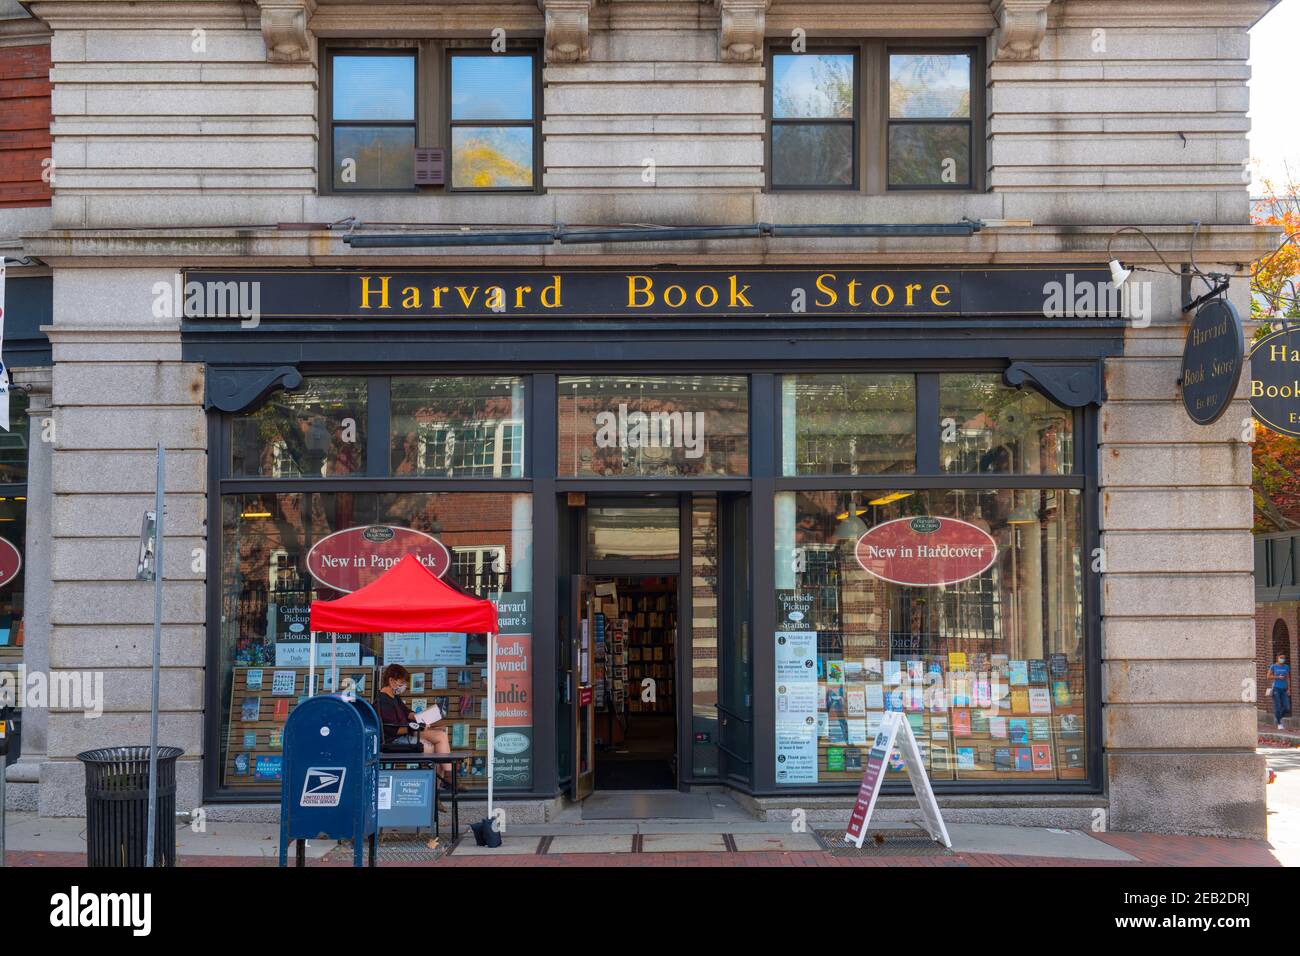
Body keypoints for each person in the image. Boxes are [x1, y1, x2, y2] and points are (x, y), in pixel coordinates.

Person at [376, 663, 453, 782]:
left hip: (407, 733)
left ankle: (448, 778)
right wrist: (416, 727)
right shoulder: (383, 701)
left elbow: (407, 712)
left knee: (441, 736)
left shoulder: (394, 697)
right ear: (391, 681)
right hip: (395, 739)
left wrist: (421, 717)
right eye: (401, 682)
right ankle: (442, 787)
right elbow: (394, 730)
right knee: (435, 751)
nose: (404, 686)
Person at [1270, 654, 1292, 730]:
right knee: (1278, 707)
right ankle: (1279, 723)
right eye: (1281, 658)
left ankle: (1278, 717)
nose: (1282, 659)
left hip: (1284, 689)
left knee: (1287, 707)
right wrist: (1277, 677)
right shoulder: (1273, 666)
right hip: (1276, 689)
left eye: (1284, 658)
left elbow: (1288, 678)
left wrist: (1289, 689)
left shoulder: (1286, 667)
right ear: (1277, 658)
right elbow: (1268, 676)